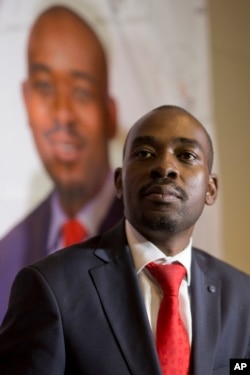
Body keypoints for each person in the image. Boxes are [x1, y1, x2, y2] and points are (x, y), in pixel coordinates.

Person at [0, 105, 249, 375]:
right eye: (144, 154)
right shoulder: (50, 287)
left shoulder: (243, 295)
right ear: (119, 182)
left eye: (186, 155)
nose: (165, 167)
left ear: (210, 189)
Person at [0, 5, 123, 322]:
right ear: (26, 101)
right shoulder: (7, 255)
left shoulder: (153, 236)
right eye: (44, 87)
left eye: (82, 91)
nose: (63, 114)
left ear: (109, 115)